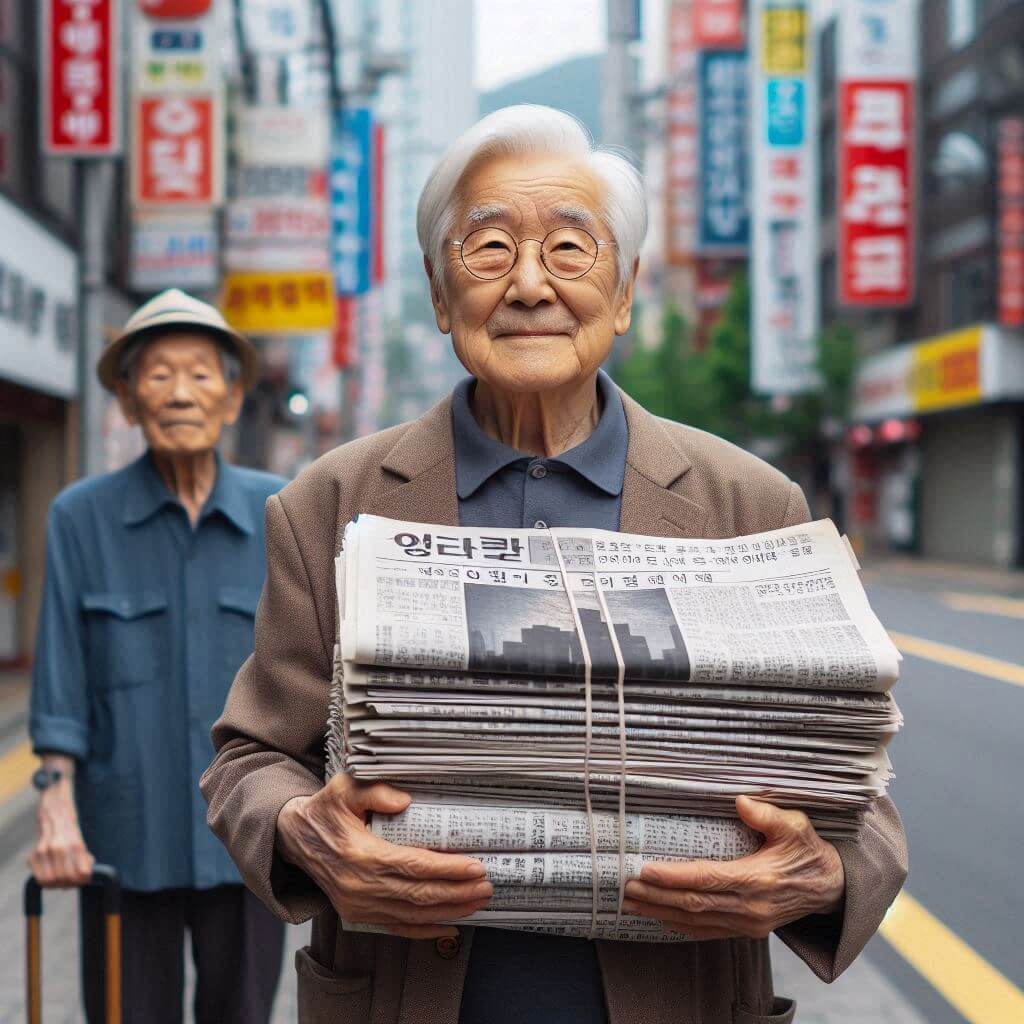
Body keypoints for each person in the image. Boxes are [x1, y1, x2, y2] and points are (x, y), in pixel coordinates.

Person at [202, 106, 907, 1024]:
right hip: (404, 997)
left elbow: (855, 788)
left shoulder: (749, 504)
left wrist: (824, 875)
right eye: (490, 248)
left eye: (570, 249)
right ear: (440, 293)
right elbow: (253, 756)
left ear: (625, 290)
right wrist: (303, 831)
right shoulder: (329, 503)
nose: (530, 285)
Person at [29, 289, 288, 1024]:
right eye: (159, 375)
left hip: (249, 835)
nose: (180, 393)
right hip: (124, 834)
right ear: (127, 400)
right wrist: (55, 805)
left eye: (201, 375)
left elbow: (311, 674)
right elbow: (60, 679)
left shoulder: (282, 511)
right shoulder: (80, 517)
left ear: (231, 400)